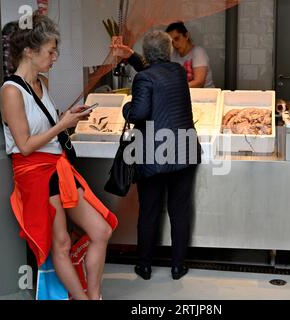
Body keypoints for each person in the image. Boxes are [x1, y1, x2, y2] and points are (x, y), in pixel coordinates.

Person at [0, 13, 118, 300]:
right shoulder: (11, 91)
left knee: (100, 230)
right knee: (61, 243)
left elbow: (47, 128)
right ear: (29, 50)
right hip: (35, 172)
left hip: (57, 167)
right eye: (51, 51)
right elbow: (25, 145)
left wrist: (65, 119)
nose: (55, 57)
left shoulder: (42, 83)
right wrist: (60, 125)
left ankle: (94, 294)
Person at [122, 31, 202, 281]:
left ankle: (144, 265)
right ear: (169, 52)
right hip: (184, 150)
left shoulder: (144, 78)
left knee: (149, 210)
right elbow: (155, 70)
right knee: (180, 209)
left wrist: (126, 108)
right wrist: (132, 57)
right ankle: (178, 266)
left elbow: (139, 113)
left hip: (154, 154)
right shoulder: (178, 72)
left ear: (147, 54)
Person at [112, 22, 214, 88]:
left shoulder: (198, 52)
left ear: (186, 36)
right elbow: (155, 69)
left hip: (206, 97)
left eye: (177, 38)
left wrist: (172, 87)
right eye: (171, 41)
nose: (175, 44)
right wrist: (131, 55)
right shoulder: (172, 54)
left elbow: (199, 82)